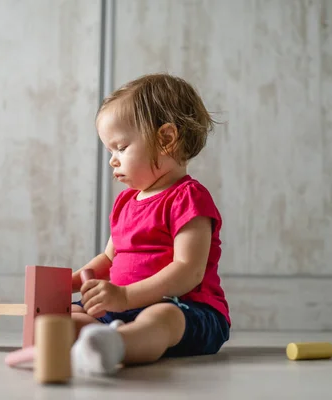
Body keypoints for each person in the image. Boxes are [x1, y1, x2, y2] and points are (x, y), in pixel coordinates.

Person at [70, 73, 230, 376]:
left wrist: (126, 296)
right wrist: (73, 281)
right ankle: (102, 342)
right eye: (110, 152)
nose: (112, 161)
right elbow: (108, 259)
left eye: (120, 147)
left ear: (166, 139)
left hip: (186, 309)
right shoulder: (125, 203)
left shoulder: (188, 197)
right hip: (122, 308)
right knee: (67, 315)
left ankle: (117, 345)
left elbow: (188, 270)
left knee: (161, 319)